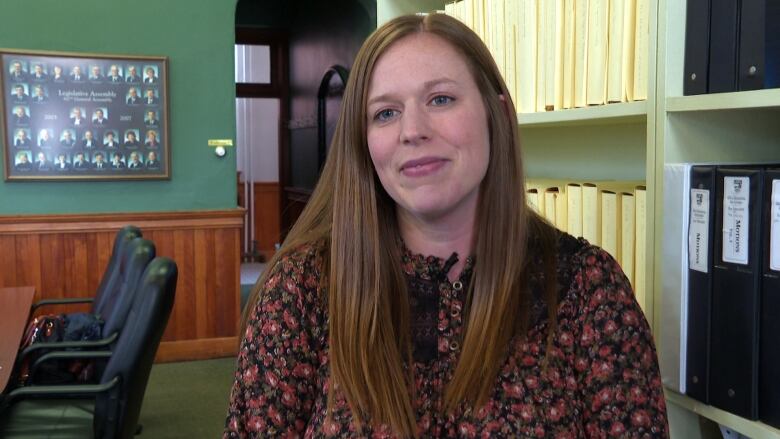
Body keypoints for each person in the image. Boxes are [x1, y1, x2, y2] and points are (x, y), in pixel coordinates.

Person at [224, 14, 668, 438]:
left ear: (497, 116)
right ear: (364, 141)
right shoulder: (301, 289)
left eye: (441, 99)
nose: (412, 130)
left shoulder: (588, 290)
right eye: (385, 113)